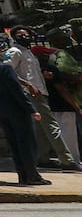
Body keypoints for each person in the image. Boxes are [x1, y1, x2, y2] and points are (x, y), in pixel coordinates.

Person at [6, 27, 80, 170]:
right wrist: (27, 84)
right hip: (31, 93)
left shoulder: (28, 52)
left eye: (26, 34)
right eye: (20, 35)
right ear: (14, 37)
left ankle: (42, 157)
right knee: (51, 126)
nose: (24, 37)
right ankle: (67, 160)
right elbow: (6, 71)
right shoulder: (14, 52)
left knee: (40, 128)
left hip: (40, 92)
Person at [0, 36, 49, 186]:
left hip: (1, 110)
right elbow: (16, 91)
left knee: (14, 144)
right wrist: (31, 110)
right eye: (1, 50)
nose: (4, 51)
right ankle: (32, 175)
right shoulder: (5, 67)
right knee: (27, 143)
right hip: (17, 110)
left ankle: (22, 175)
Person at [43, 28, 82, 160]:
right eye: (63, 37)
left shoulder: (53, 55)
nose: (67, 39)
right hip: (70, 97)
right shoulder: (61, 55)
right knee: (69, 129)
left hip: (65, 98)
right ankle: (72, 158)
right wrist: (77, 78)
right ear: (55, 40)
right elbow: (61, 74)